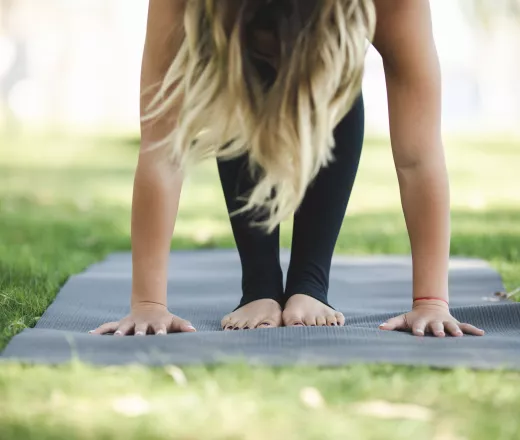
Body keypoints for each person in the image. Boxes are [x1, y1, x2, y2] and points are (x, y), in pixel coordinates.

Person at [91, 0, 485, 338]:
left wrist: (432, 300)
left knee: (324, 76)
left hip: (329, 33)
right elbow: (162, 148)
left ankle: (310, 282)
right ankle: (260, 284)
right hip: (238, 32)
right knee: (243, 81)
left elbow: (417, 158)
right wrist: (147, 303)